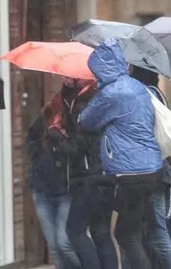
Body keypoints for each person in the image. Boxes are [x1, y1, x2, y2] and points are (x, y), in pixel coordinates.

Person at [80, 39, 163, 269]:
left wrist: (97, 92)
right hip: (151, 168)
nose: (94, 76)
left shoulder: (112, 93)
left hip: (132, 173)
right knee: (132, 231)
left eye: (95, 72)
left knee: (126, 234)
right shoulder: (135, 86)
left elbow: (86, 120)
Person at [49, 77, 117, 269]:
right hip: (103, 175)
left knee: (75, 230)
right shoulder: (92, 99)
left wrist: (57, 137)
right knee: (101, 232)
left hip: (89, 178)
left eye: (68, 74)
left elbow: (77, 148)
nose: (64, 76)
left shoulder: (83, 105)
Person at [26, 81, 82, 269]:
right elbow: (31, 136)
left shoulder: (77, 118)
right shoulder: (47, 113)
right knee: (55, 247)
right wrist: (37, 156)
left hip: (66, 190)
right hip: (42, 189)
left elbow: (78, 150)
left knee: (64, 243)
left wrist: (59, 138)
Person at [129, 66, 171, 269]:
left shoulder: (141, 95)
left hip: (145, 170)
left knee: (138, 233)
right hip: (157, 170)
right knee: (153, 232)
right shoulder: (156, 93)